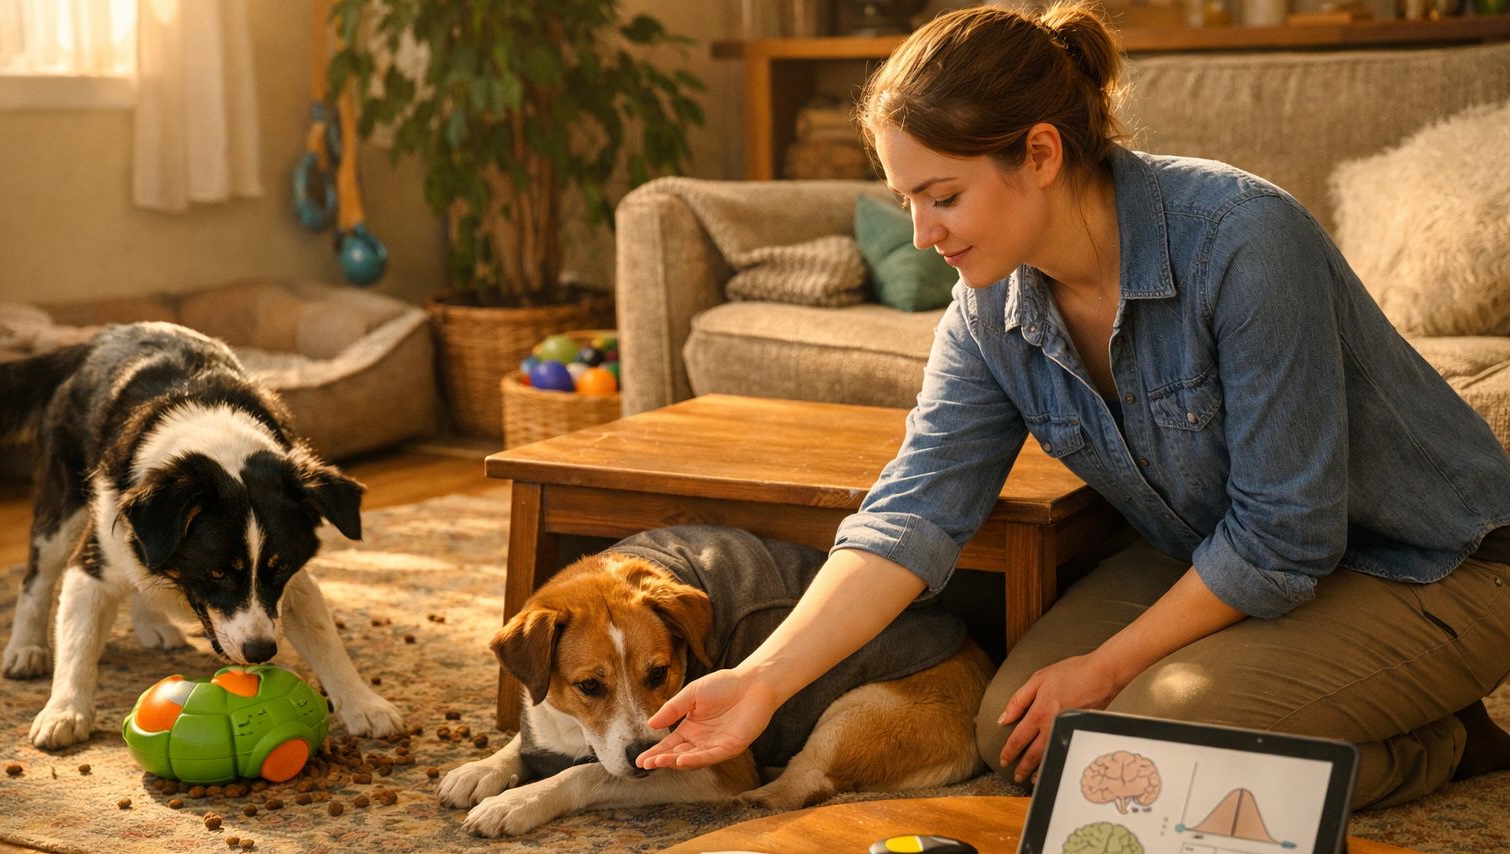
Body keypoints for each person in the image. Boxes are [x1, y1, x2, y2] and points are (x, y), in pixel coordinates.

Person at [637, 1, 1510, 809]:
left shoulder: (1243, 239)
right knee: (1006, 733)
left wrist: (1104, 669)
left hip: (1429, 562)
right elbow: (914, 509)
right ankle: (1368, 714)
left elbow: (1287, 536)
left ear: (1042, 155)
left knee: (1149, 747)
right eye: (908, 202)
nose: (921, 234)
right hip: (1217, 554)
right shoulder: (989, 304)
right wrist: (763, 678)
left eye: (944, 197)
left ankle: (1437, 744)